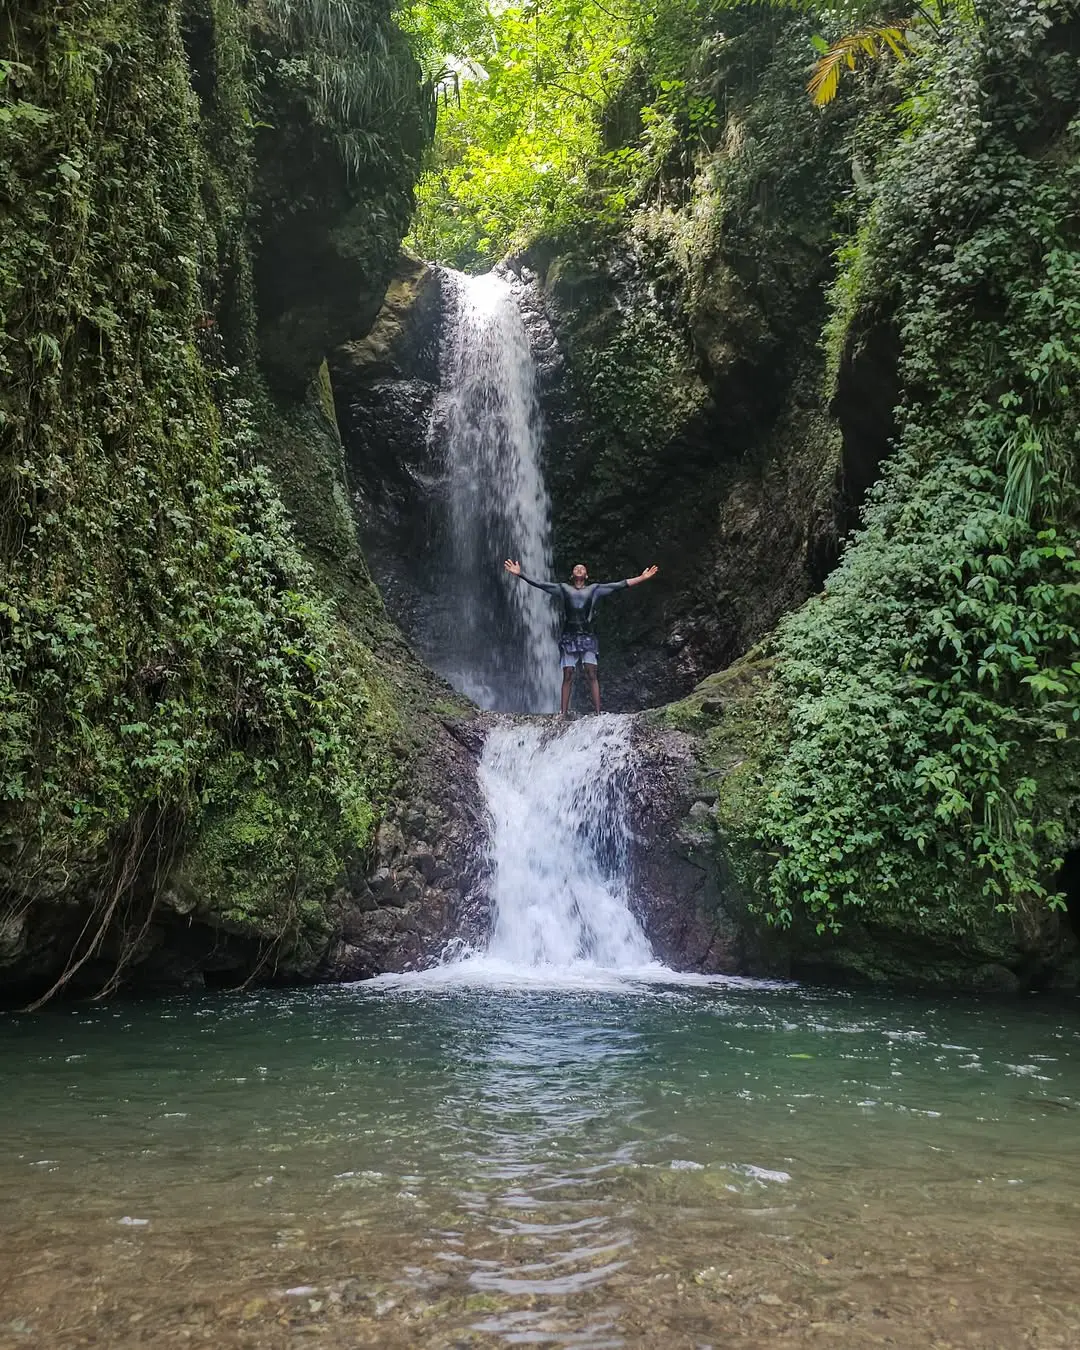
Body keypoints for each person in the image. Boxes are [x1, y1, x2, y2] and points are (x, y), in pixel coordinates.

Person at [504, 559, 658, 715]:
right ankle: (563, 714)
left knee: (591, 672)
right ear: (572, 575)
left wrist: (642, 578)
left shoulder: (595, 589)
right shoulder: (563, 589)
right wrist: (520, 574)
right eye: (576, 568)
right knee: (568, 673)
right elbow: (541, 584)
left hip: (587, 636)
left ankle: (598, 713)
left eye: (582, 568)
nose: (578, 569)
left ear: (586, 575)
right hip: (569, 636)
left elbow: (619, 585)